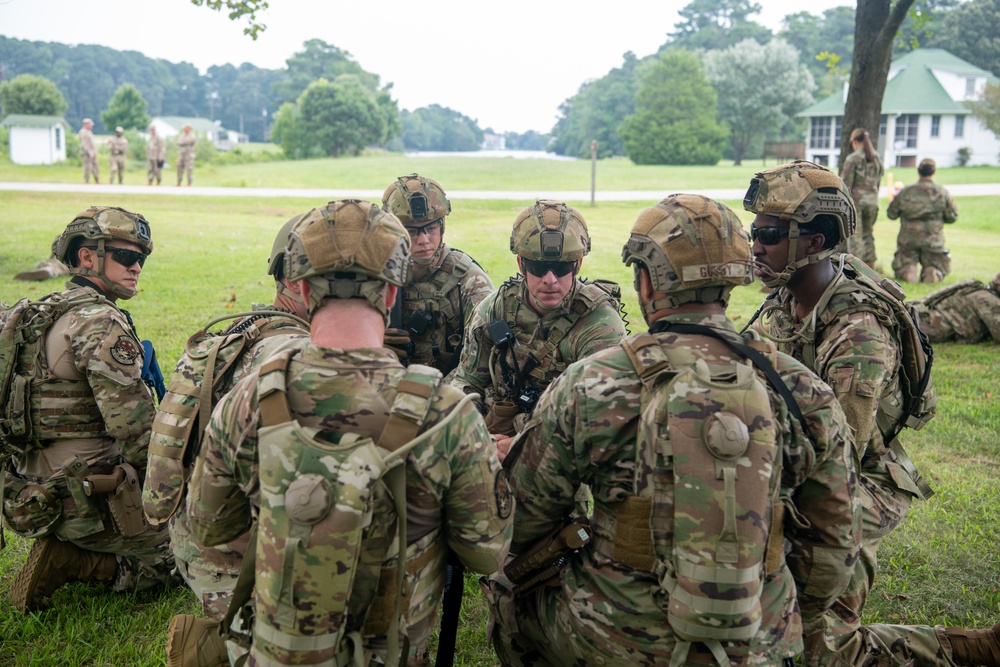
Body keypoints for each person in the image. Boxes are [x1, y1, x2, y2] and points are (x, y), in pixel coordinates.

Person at [487, 193, 860, 666]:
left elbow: (522, 522)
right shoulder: (803, 391)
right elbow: (832, 550)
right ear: (734, 278)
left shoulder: (591, 384)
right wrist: (777, 616)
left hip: (613, 643)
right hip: (761, 642)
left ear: (645, 282)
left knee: (505, 588)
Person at [187, 200, 512, 667]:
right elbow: (485, 553)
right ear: (392, 292)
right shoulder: (447, 413)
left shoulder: (247, 399)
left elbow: (210, 526)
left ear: (298, 285)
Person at [745, 160, 998, 667]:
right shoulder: (785, 300)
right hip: (803, 466)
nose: (756, 246)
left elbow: (839, 453)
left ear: (814, 244)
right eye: (754, 232)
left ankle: (975, 650)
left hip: (859, 483)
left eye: (770, 235)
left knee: (819, 651)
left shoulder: (859, 329)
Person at [3, 205, 174, 613]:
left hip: (30, 494)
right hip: (89, 505)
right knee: (200, 554)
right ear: (87, 256)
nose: (136, 268)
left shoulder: (33, 316)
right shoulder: (99, 323)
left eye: (141, 259)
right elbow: (138, 436)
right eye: (126, 256)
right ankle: (77, 561)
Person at [144, 215, 311, 631]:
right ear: (297, 283)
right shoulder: (296, 356)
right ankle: (220, 643)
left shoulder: (237, 334)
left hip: (188, 547)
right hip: (233, 570)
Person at [448, 199, 627, 453]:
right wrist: (471, 432)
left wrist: (520, 445)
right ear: (521, 265)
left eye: (562, 268)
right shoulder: (495, 309)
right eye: (539, 268)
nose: (550, 280)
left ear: (577, 265)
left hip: (556, 456)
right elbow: (467, 381)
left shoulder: (599, 324)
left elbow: (601, 417)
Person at [380, 173, 494, 372]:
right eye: (412, 231)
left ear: (442, 227)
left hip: (447, 389)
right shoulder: (375, 275)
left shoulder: (470, 280)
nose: (424, 240)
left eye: (431, 228)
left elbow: (485, 356)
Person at [886, 158, 958, 284]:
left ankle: (908, 272)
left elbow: (891, 214)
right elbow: (952, 217)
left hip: (908, 238)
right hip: (933, 238)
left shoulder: (906, 191)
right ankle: (933, 272)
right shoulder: (942, 192)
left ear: (919, 172)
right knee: (935, 263)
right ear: (934, 172)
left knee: (905, 262)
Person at [908, 273, 1000, 344]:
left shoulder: (978, 288)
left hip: (924, 314)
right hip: (931, 324)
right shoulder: (988, 299)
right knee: (903, 330)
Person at [840, 128, 883, 268]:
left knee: (854, 236)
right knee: (868, 234)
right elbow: (878, 181)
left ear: (855, 141)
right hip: (872, 202)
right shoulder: (877, 158)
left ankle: (857, 269)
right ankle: (871, 267)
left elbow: (845, 184)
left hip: (856, 202)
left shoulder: (853, 158)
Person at [79, 117, 99, 184]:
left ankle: (97, 179)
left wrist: (94, 152)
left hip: (93, 153)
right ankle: (87, 180)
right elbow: (84, 144)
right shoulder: (83, 132)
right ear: (86, 124)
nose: (92, 126)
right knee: (87, 167)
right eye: (90, 124)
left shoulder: (89, 132)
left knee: (95, 166)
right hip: (87, 153)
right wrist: (90, 152)